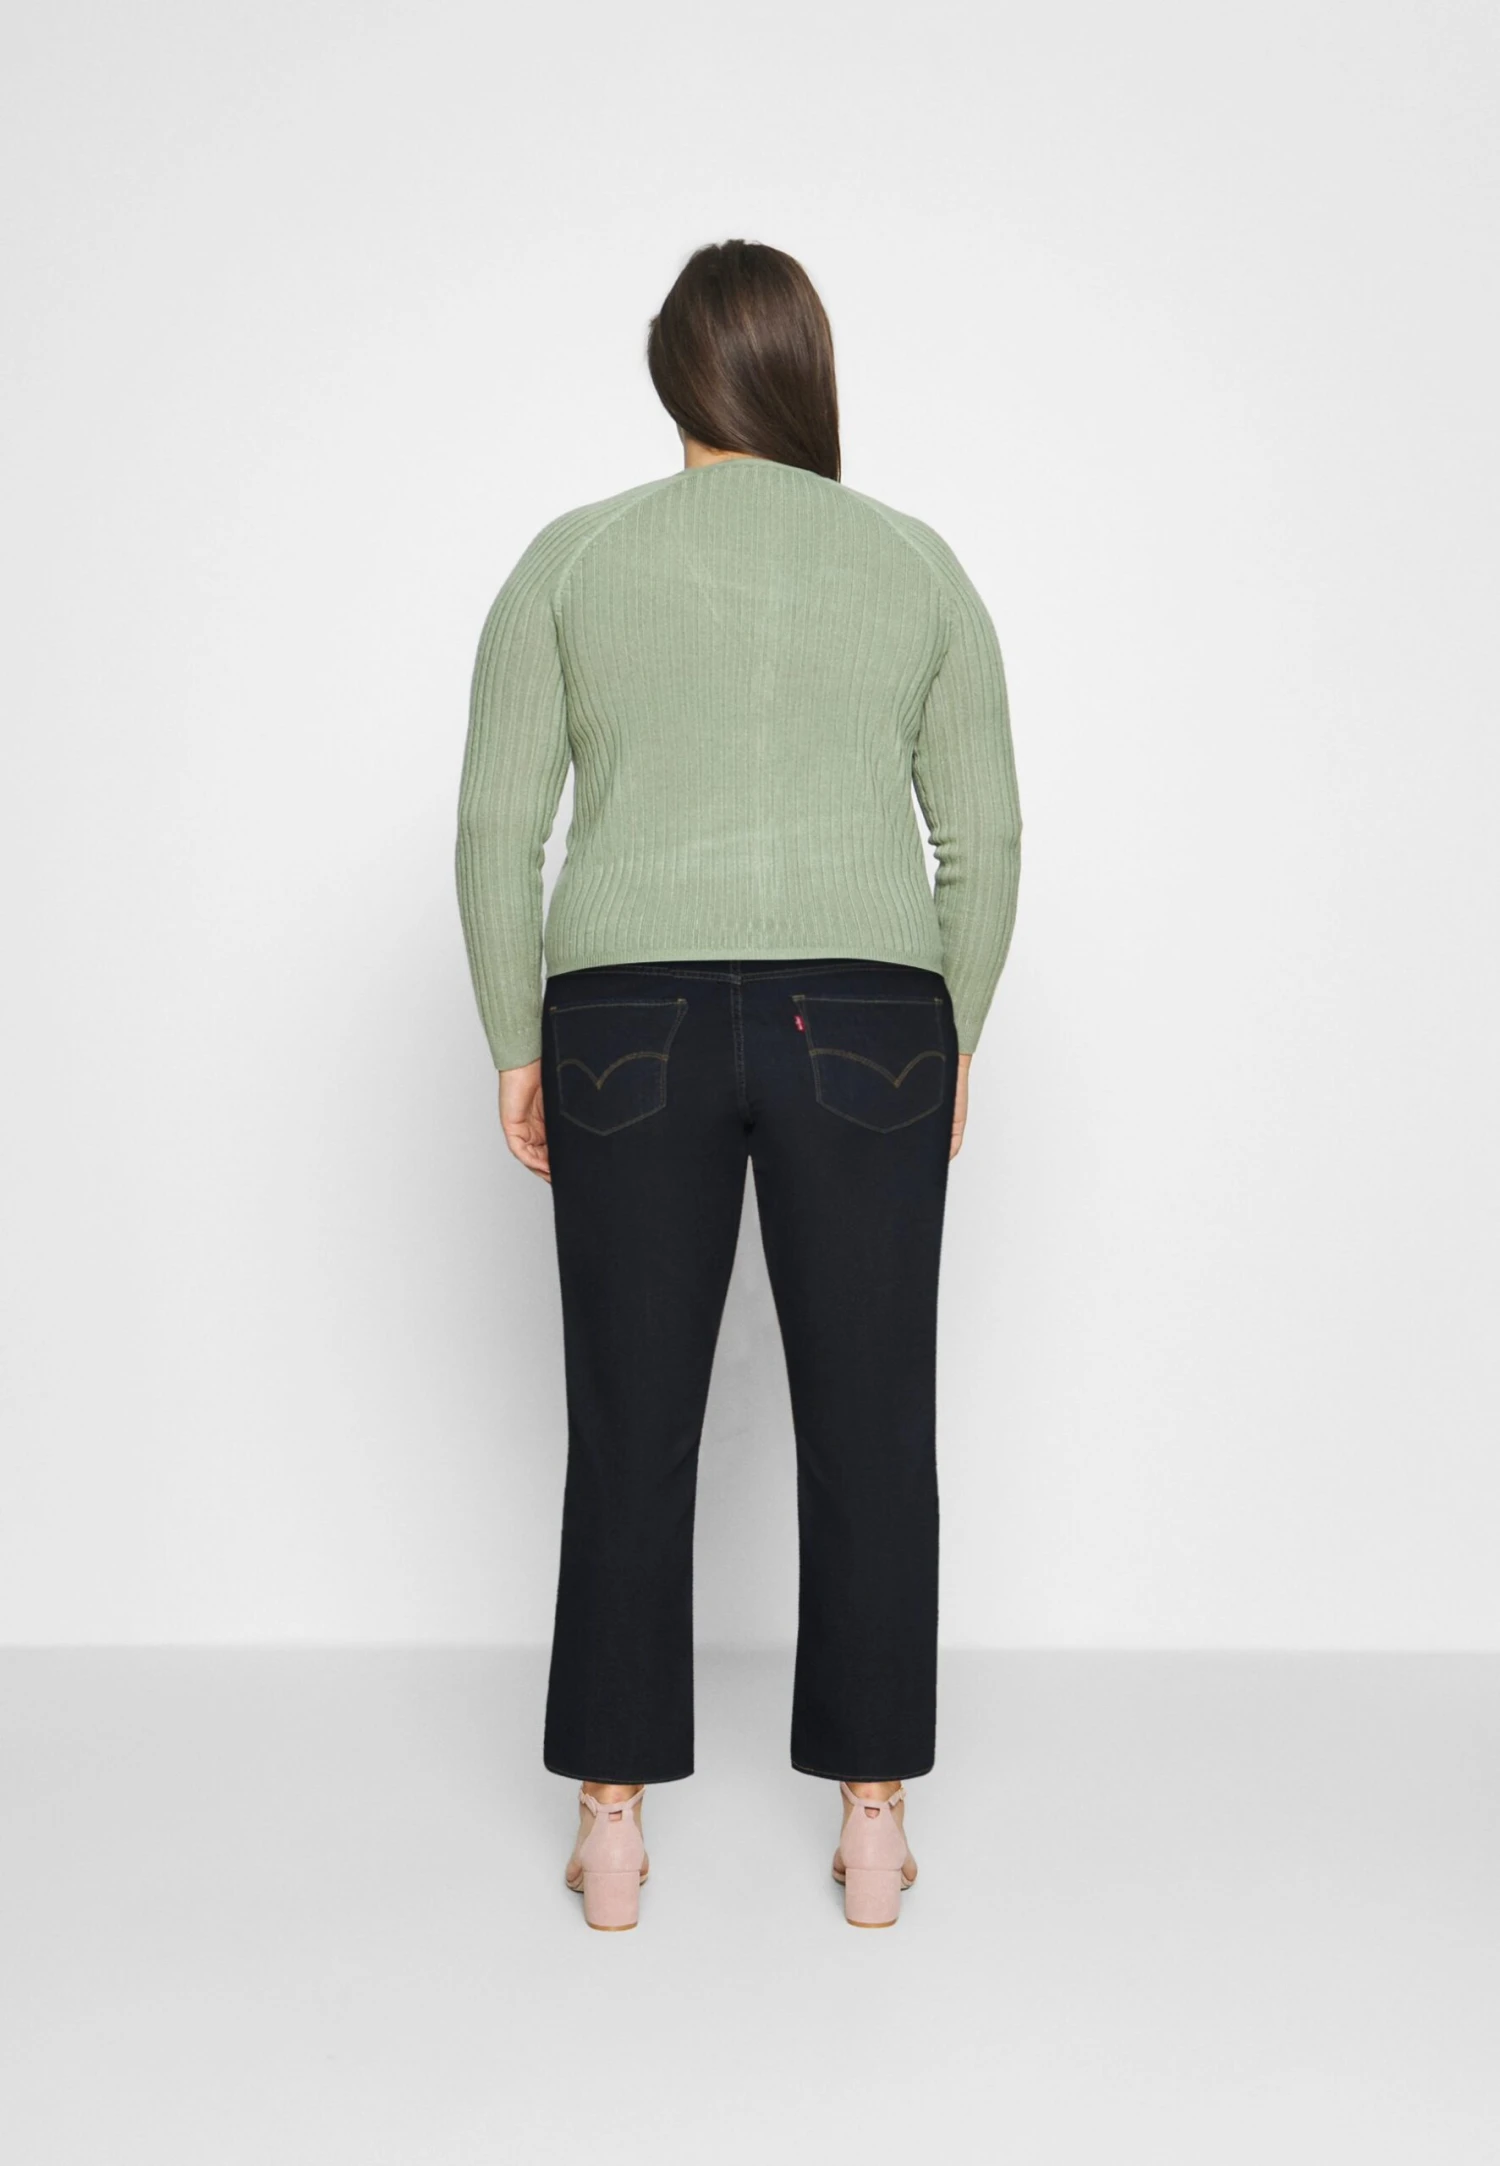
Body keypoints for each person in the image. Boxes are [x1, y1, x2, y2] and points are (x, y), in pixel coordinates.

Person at [454, 238, 1023, 1930]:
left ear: (673, 376)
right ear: (802, 371)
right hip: (870, 1018)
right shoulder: (912, 561)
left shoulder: (574, 556)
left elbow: (497, 822)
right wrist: (956, 1030)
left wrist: (513, 1038)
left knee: (630, 1423)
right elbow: (983, 835)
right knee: (873, 1420)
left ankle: (612, 1827)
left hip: (624, 1018)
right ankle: (873, 1825)